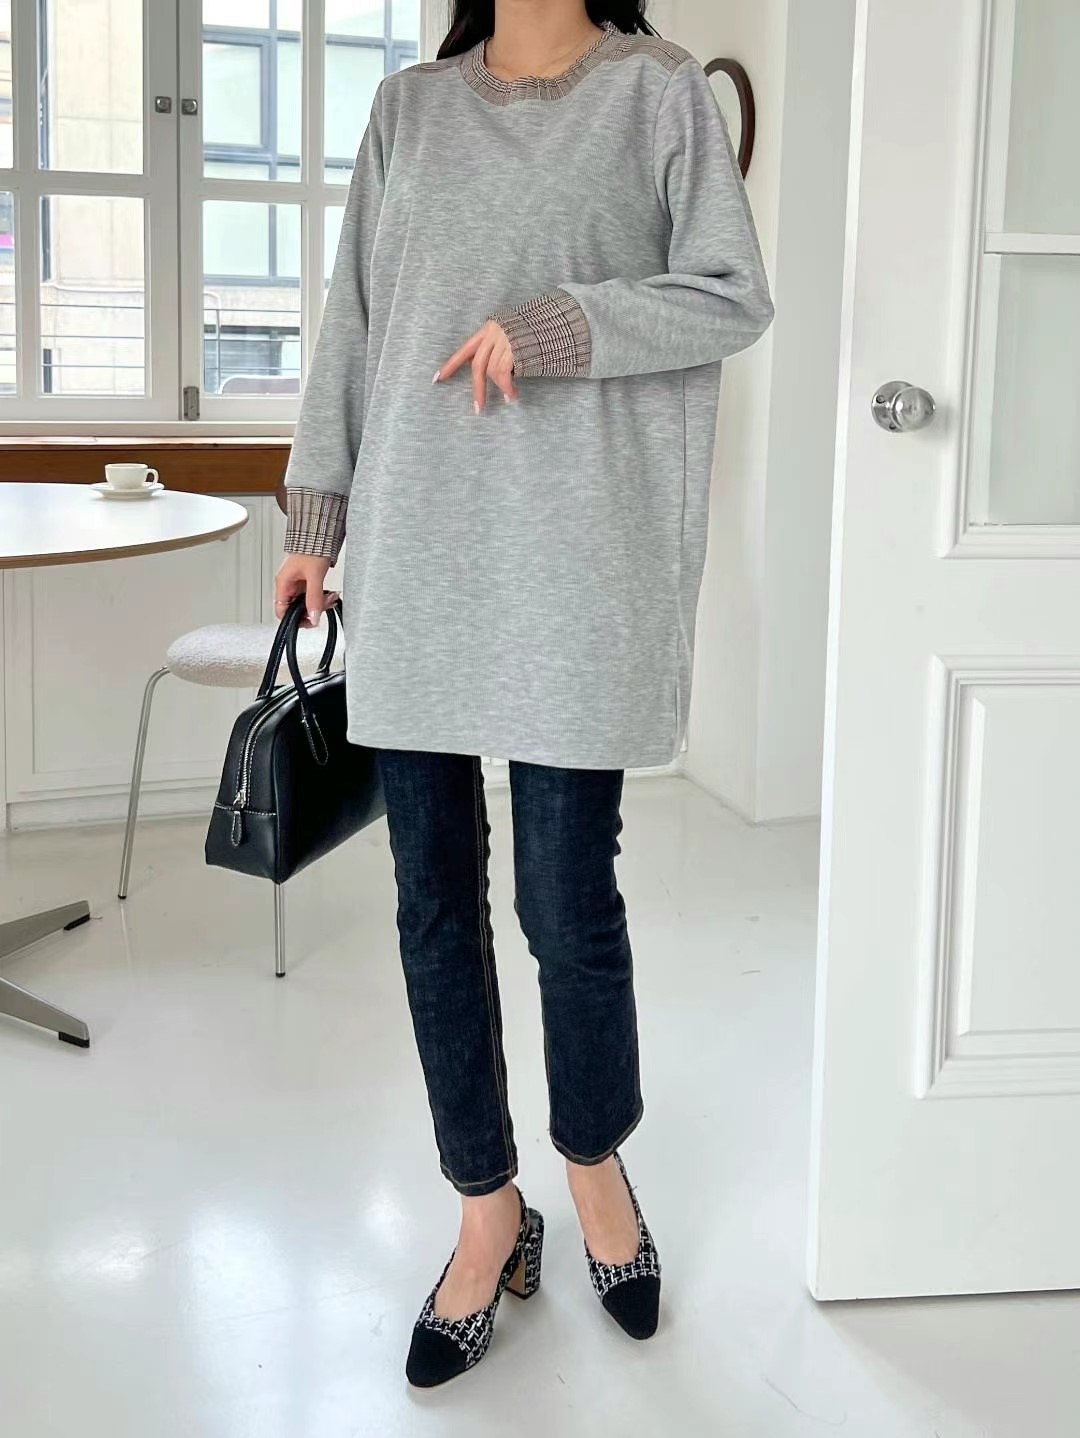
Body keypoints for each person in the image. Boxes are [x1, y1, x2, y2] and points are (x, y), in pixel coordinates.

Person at [275, 0, 772, 1389]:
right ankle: (487, 1211)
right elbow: (352, 322)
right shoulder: (410, 110)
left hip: (578, 560)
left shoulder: (658, 92)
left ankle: (595, 1169)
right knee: (433, 901)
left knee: (565, 901)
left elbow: (732, 293)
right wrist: (314, 517)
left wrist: (561, 324)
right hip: (419, 551)